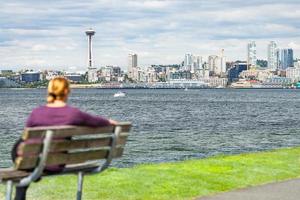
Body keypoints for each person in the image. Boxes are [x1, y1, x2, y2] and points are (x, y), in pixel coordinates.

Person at [12, 77, 117, 200]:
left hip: (32, 163)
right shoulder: (74, 114)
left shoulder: (36, 113)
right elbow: (96, 121)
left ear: (49, 91)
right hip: (56, 164)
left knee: (20, 143)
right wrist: (109, 121)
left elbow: (26, 136)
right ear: (67, 91)